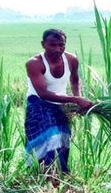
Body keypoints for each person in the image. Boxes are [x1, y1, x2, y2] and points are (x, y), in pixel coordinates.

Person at [24, 28, 93, 175]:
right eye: (52, 45)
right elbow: (42, 93)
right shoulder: (34, 63)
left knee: (63, 139)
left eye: (61, 45)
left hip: (61, 104)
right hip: (38, 104)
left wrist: (76, 100)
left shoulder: (71, 59)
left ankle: (60, 175)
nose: (57, 49)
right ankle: (42, 175)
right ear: (43, 44)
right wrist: (75, 99)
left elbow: (75, 81)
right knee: (50, 138)